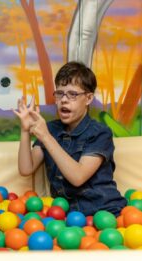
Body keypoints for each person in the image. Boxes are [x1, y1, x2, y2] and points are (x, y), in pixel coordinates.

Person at [14, 61, 126, 216]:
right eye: (59, 93)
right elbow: (26, 169)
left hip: (104, 212)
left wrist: (46, 137)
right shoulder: (51, 129)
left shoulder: (100, 133)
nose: (64, 100)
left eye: (72, 94)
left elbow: (78, 177)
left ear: (88, 98)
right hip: (66, 217)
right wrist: (25, 130)